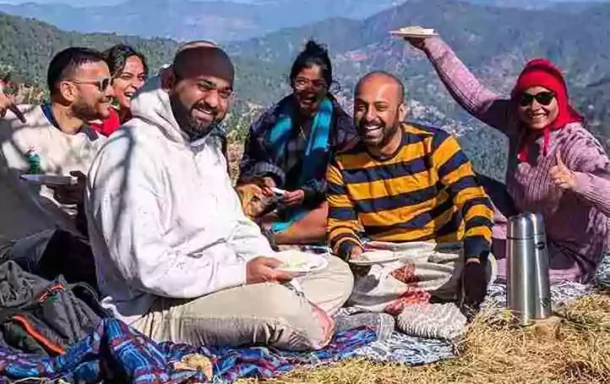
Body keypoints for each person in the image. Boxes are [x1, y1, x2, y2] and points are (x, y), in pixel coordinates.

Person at [85, 45, 353, 350]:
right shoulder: (129, 154)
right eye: (204, 86)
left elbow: (236, 226)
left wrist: (270, 266)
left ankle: (292, 316)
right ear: (171, 81)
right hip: (157, 309)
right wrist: (241, 274)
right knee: (282, 309)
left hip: (220, 283)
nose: (213, 102)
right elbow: (144, 268)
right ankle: (303, 321)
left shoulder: (205, 148)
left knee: (335, 272)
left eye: (224, 93)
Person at [404, 34, 610, 283]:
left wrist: (578, 181)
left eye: (544, 97)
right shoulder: (518, 122)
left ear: (560, 98)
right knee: (458, 181)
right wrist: (431, 44)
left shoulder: (577, 145)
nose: (535, 106)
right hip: (524, 221)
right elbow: (475, 97)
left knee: (477, 264)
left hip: (567, 254)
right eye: (526, 98)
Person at [327, 71, 494, 315]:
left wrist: (473, 262)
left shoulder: (435, 145)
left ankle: (400, 301)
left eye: (380, 107)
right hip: (384, 257)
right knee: (337, 275)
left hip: (440, 253)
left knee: (484, 264)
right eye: (361, 107)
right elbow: (340, 225)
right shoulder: (342, 161)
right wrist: (351, 250)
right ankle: (431, 302)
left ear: (401, 112)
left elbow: (474, 201)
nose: (369, 117)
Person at [238, 40, 356, 246]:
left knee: (332, 216)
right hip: (275, 202)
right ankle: (270, 228)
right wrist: (267, 179)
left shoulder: (341, 127)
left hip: (318, 205)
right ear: (292, 82)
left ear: (328, 86)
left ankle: (274, 235)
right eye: (302, 82)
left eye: (318, 84)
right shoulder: (272, 120)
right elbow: (252, 159)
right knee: (238, 198)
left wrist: (307, 194)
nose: (309, 90)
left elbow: (348, 179)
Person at [0, 47, 112, 242]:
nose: (110, 92)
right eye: (102, 85)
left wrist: (87, 200)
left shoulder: (104, 149)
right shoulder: (13, 122)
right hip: (12, 256)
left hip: (75, 259)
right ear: (68, 90)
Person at [90, 44, 148, 136]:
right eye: (126, 77)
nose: (136, 85)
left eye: (141, 78)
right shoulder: (96, 120)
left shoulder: (143, 119)